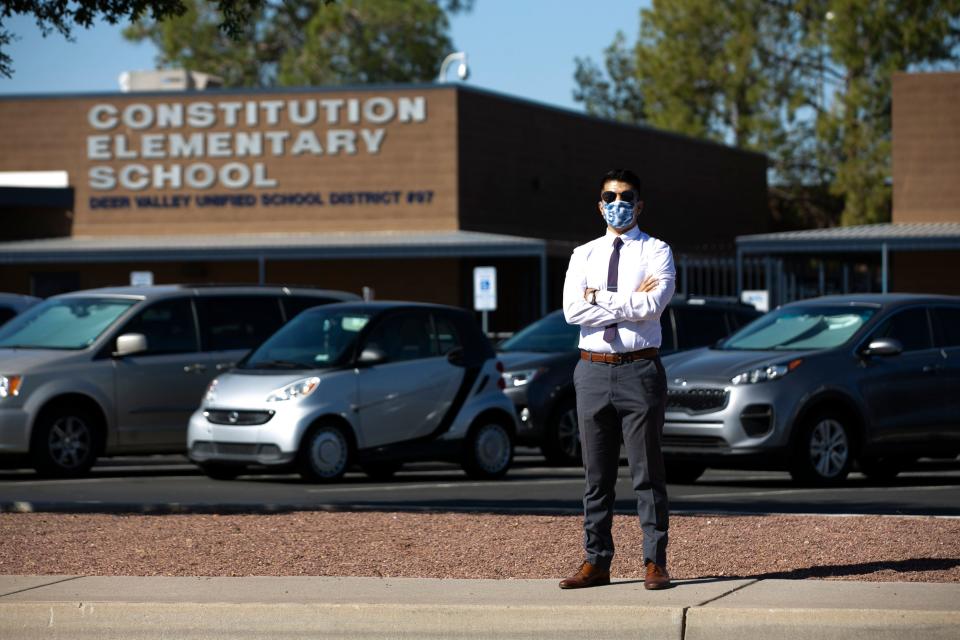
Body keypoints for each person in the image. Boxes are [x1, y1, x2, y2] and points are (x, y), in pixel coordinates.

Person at [559, 168, 676, 590]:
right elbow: (573, 312)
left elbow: (654, 305)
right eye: (610, 195)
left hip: (639, 370)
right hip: (591, 369)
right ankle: (596, 561)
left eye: (626, 196)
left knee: (647, 472)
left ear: (639, 204)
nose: (618, 202)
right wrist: (626, 302)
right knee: (596, 476)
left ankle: (654, 561)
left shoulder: (656, 251)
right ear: (599, 203)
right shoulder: (583, 255)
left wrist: (598, 297)